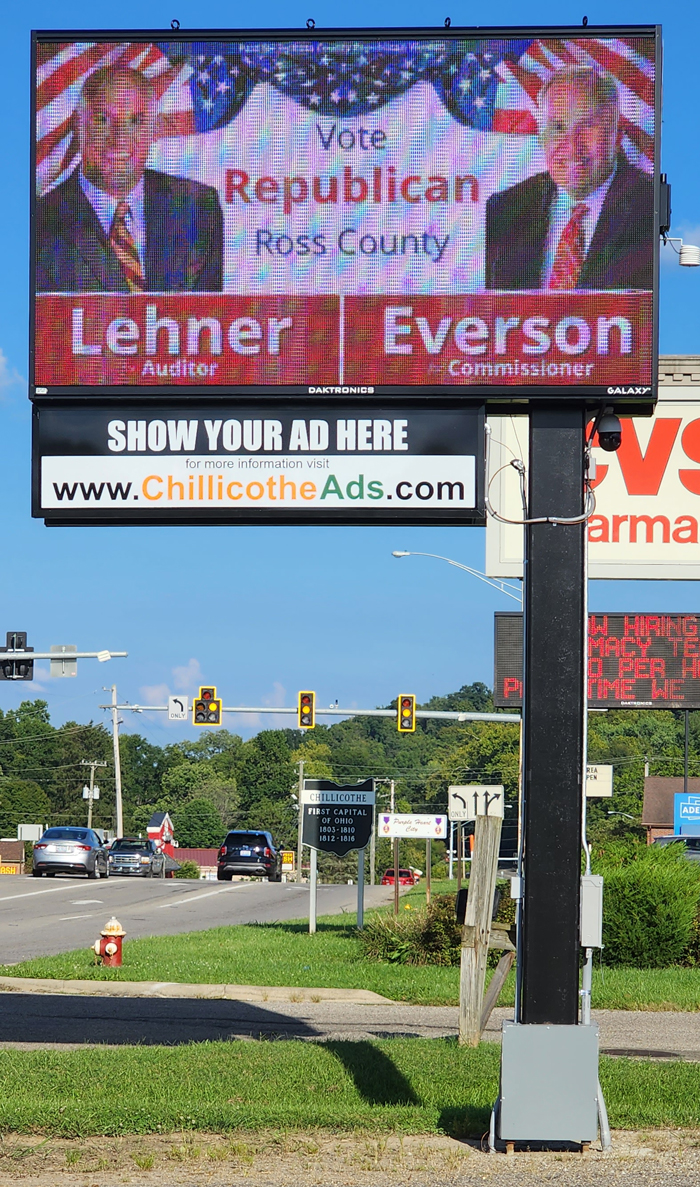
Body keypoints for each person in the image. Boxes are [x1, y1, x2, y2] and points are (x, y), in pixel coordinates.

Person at [36, 66, 223, 293]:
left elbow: (207, 319)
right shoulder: (40, 221)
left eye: (136, 121)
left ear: (154, 129)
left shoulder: (198, 207)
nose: (119, 138)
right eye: (103, 120)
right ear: (78, 123)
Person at [485, 66, 653, 291]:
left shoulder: (650, 207)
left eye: (587, 126)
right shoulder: (504, 210)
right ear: (542, 139)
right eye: (557, 127)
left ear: (617, 137)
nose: (572, 146)